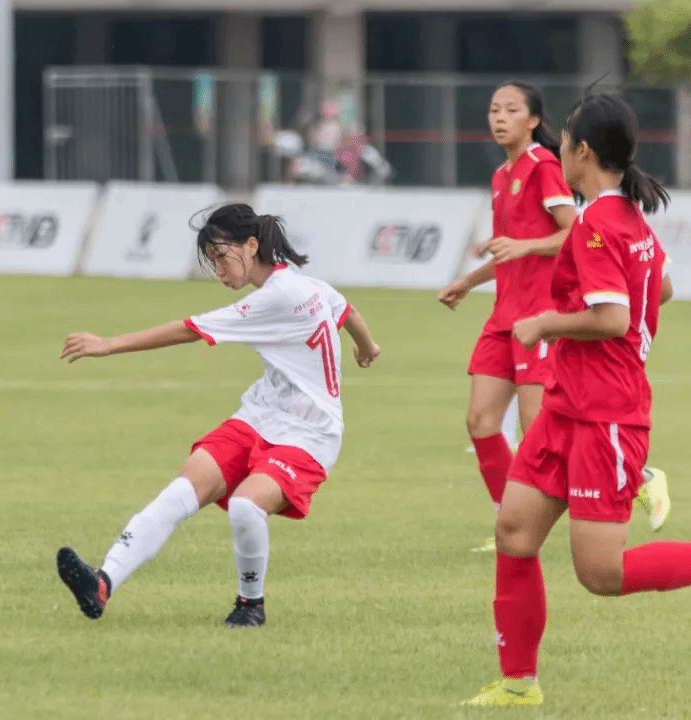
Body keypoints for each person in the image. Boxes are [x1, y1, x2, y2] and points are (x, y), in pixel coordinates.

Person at [463, 92, 691, 707]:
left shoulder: (597, 224)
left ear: (582, 150)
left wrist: (545, 323)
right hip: (567, 406)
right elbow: (663, 288)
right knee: (514, 531)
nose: (558, 147)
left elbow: (612, 318)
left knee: (600, 575)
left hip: (605, 418)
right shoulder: (626, 216)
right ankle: (518, 684)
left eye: (564, 138)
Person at [54, 203, 381, 627]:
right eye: (211, 261)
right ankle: (102, 582)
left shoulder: (278, 296)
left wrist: (108, 344)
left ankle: (250, 604)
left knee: (245, 507)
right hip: (260, 416)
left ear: (251, 245)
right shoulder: (307, 285)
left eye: (222, 256)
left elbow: (189, 329)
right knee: (182, 490)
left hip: (309, 435)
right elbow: (346, 311)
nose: (219, 270)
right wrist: (367, 346)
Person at [438, 82, 669, 553]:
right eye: (493, 108)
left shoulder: (546, 170)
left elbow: (571, 234)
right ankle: (509, 520)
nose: (499, 117)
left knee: (538, 431)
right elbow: (514, 249)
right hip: (508, 316)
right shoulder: (502, 176)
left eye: (511, 109)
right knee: (480, 419)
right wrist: (470, 280)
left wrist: (549, 315)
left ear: (534, 121)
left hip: (544, 317)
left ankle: (630, 479)